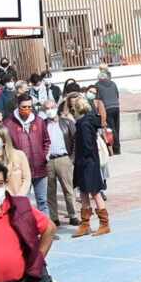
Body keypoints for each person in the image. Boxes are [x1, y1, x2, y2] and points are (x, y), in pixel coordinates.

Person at [69, 95, 110, 237]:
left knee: (95, 192)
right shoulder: (87, 121)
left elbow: (86, 146)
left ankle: (104, 224)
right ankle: (85, 224)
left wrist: (80, 158)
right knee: (83, 193)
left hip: (87, 163)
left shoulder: (84, 124)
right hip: (86, 162)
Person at [4, 94, 51, 214]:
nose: (27, 109)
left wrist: (44, 156)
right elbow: (6, 146)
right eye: (24, 107)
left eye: (30, 107)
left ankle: (46, 229)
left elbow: (46, 141)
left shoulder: (39, 121)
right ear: (18, 106)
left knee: (43, 202)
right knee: (23, 203)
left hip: (40, 168)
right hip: (21, 171)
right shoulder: (9, 124)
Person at [41, 98, 79, 228]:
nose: (49, 111)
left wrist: (72, 159)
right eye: (46, 109)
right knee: (50, 191)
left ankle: (73, 215)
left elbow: (75, 141)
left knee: (68, 189)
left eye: (51, 107)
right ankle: (54, 217)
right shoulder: (42, 124)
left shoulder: (67, 123)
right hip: (48, 161)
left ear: (56, 107)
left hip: (64, 159)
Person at [0, 125, 30, 198]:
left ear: (4, 141)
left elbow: (27, 179)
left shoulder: (19, 155)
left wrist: (20, 196)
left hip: (18, 199)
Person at [95, 68, 121, 155]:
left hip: (107, 108)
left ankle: (116, 148)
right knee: (117, 128)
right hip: (116, 106)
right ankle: (117, 147)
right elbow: (117, 94)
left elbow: (97, 98)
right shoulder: (113, 83)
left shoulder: (97, 85)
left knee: (111, 128)